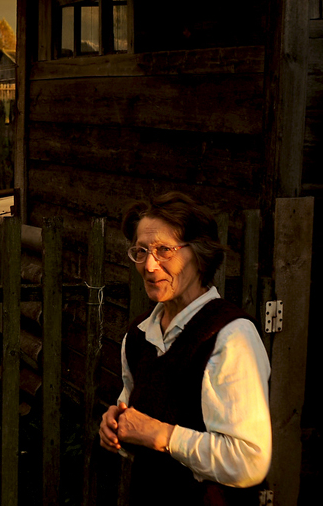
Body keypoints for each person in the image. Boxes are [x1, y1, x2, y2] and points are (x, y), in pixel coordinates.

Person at [98, 191, 271, 505]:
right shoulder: (139, 336)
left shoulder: (230, 336)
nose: (149, 265)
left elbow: (250, 461)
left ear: (199, 253)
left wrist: (164, 436)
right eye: (141, 251)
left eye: (164, 250)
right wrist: (117, 425)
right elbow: (137, 418)